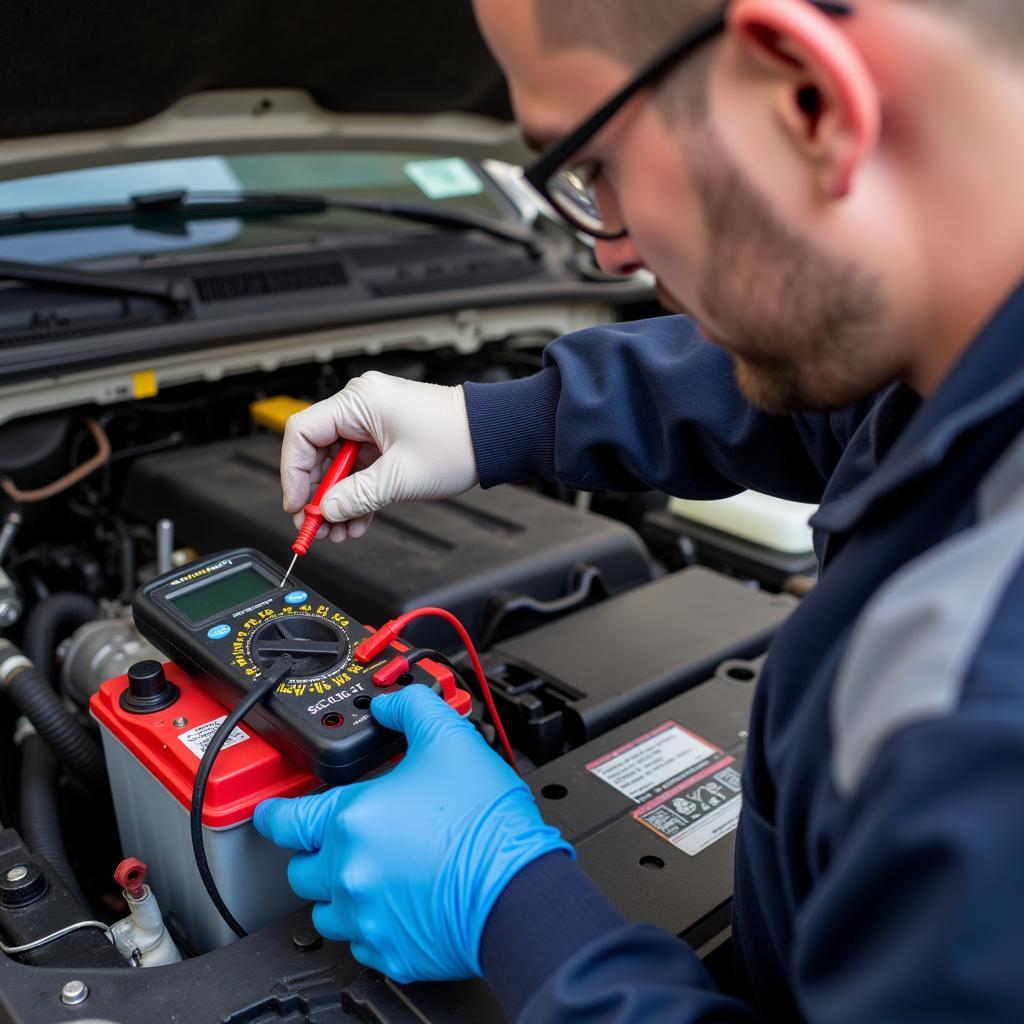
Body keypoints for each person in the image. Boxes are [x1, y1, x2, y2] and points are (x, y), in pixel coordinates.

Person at [254, 0, 1024, 1019]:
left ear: (807, 95)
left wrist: (515, 911)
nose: (611, 255)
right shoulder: (963, 349)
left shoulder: (984, 711)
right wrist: (502, 421)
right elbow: (866, 411)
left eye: (592, 165)